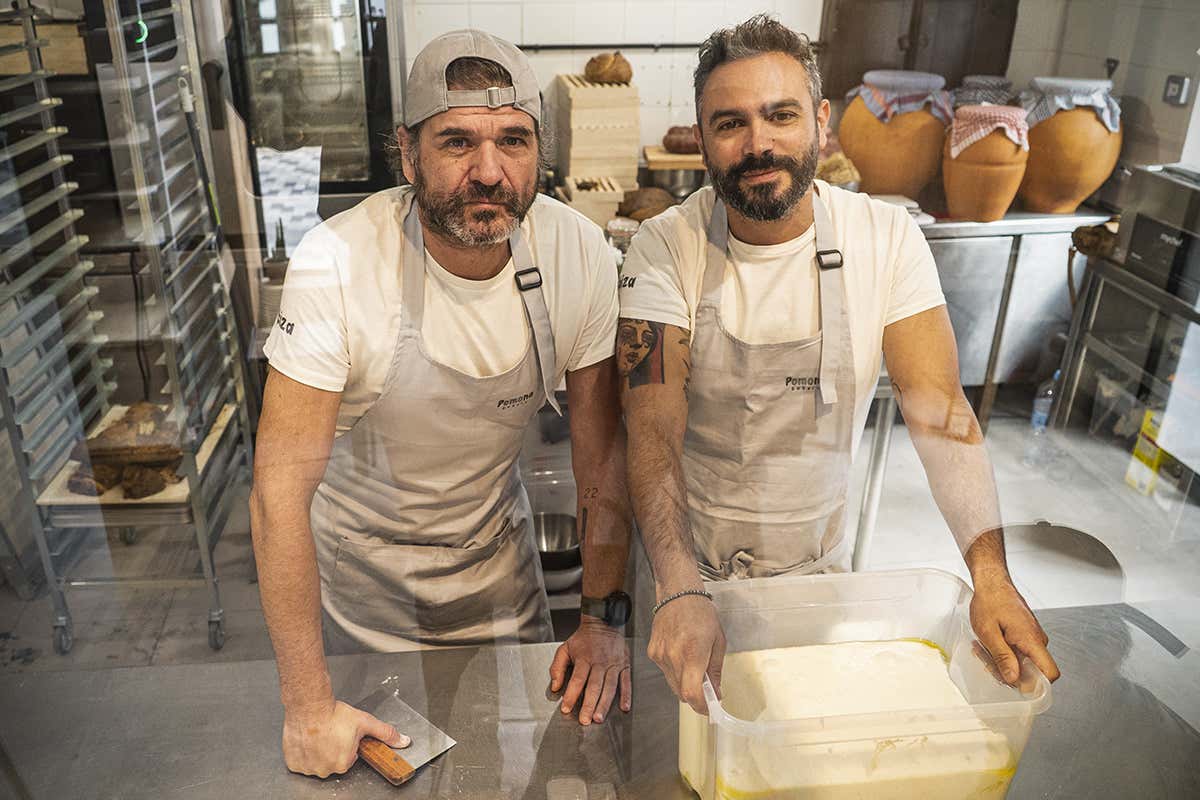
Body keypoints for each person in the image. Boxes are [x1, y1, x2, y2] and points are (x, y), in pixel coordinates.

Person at [617, 14, 1061, 715]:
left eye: (780, 115)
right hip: (684, 584)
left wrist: (989, 573)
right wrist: (678, 587)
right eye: (729, 123)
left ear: (822, 124)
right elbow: (652, 432)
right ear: (701, 140)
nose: (758, 143)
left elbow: (941, 413)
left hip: (818, 583)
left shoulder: (884, 239)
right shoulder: (663, 247)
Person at [251, 30, 633, 778]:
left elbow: (601, 462)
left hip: (498, 584)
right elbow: (276, 494)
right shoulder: (338, 263)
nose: (489, 173)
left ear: (540, 150)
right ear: (407, 152)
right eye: (457, 141)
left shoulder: (576, 252)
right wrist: (305, 705)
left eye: (514, 142)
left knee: (497, 772)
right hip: (361, 601)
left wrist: (600, 619)